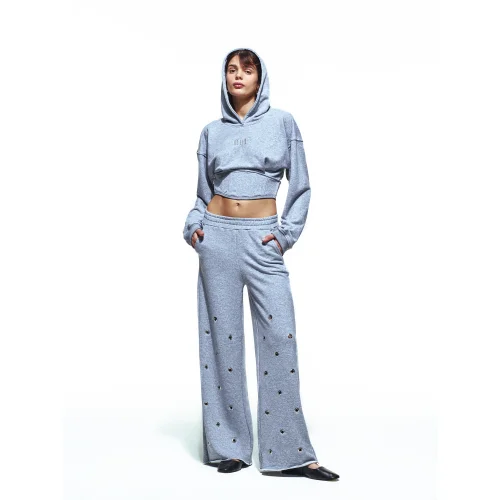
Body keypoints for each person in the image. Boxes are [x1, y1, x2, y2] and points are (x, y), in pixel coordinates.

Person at [182, 47, 339, 482]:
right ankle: (229, 447)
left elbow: (301, 186)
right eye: (231, 69)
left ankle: (290, 454)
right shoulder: (211, 131)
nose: (238, 75)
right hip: (216, 238)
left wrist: (285, 234)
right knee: (221, 340)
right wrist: (194, 226)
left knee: (280, 335)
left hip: (262, 239)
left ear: (260, 77)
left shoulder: (283, 123)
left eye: (246, 69)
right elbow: (202, 193)